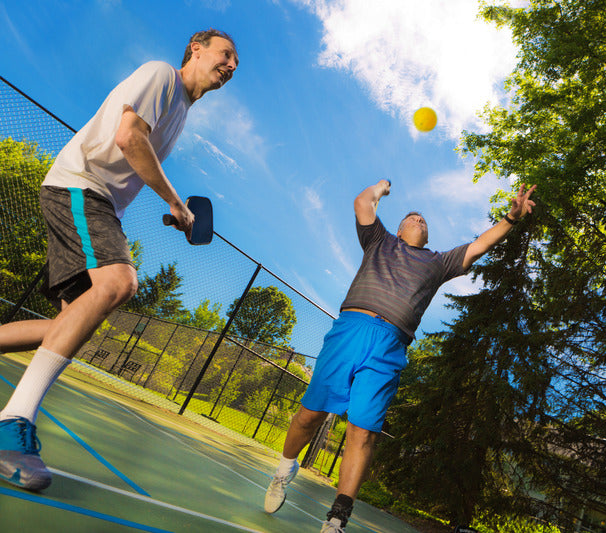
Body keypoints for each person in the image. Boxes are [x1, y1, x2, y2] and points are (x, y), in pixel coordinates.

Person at [0, 29, 238, 491]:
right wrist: (174, 201)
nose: (230, 66)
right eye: (226, 54)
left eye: (234, 65)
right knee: (118, 283)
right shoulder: (162, 75)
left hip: (99, 202)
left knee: (69, 323)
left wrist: (174, 212)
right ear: (196, 47)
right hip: (80, 187)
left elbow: (132, 159)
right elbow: (129, 137)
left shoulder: (180, 112)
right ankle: (13, 422)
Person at [263, 179, 536, 532]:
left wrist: (511, 219)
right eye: (412, 217)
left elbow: (480, 244)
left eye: (424, 220)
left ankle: (336, 519)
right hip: (350, 330)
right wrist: (380, 187)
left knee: (362, 432)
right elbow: (363, 203)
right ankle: (284, 469)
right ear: (399, 227)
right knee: (309, 415)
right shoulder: (380, 241)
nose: (419, 220)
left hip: (391, 345)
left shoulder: (438, 262)